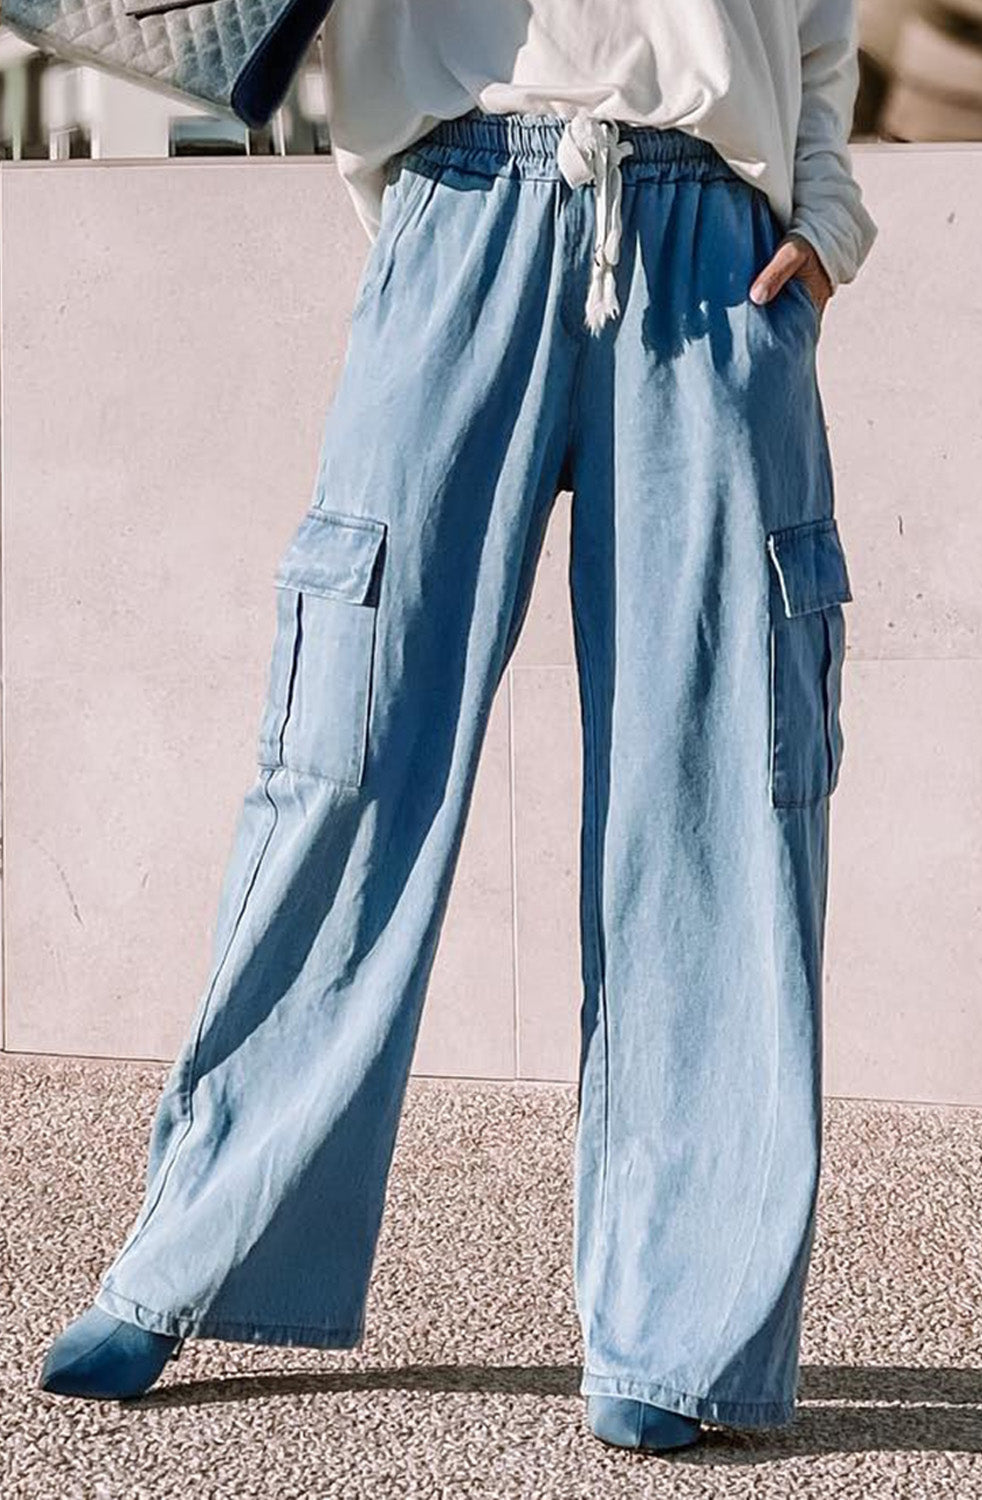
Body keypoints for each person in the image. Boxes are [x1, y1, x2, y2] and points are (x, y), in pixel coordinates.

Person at [38, 0, 877, 1455]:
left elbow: (816, 25)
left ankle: (680, 1331)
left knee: (721, 775)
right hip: (461, 197)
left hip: (717, 249)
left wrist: (825, 221)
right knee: (347, 748)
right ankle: (201, 1252)